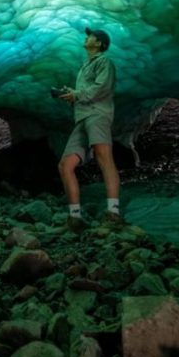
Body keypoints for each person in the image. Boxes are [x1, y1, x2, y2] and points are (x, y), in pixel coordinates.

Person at [57, 27, 121, 229]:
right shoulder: (85, 66)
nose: (87, 37)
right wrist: (72, 95)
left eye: (91, 35)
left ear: (100, 43)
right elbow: (85, 91)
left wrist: (76, 95)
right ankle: (75, 216)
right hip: (82, 117)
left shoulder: (104, 62)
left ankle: (113, 213)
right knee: (65, 166)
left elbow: (101, 88)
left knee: (104, 158)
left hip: (97, 115)